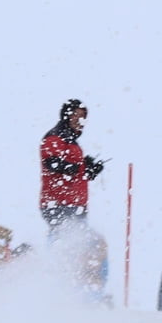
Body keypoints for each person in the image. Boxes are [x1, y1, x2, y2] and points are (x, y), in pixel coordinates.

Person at [39, 98, 105, 238]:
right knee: (67, 240)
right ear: (66, 116)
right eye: (76, 115)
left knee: (78, 243)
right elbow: (51, 162)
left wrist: (89, 169)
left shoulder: (72, 142)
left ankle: (50, 251)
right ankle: (47, 253)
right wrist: (72, 167)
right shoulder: (54, 137)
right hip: (59, 203)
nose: (80, 121)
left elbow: (75, 171)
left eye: (83, 117)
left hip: (75, 204)